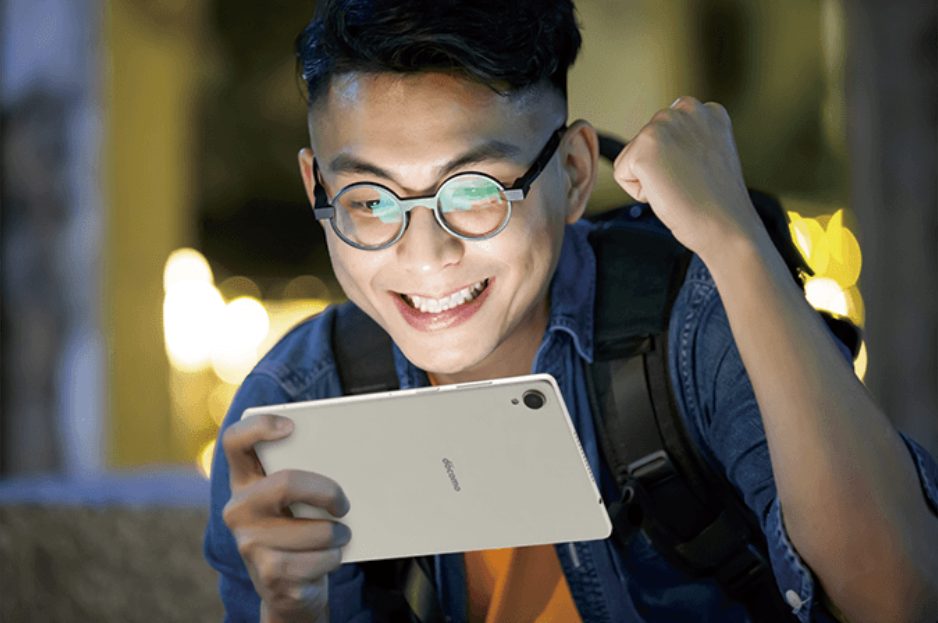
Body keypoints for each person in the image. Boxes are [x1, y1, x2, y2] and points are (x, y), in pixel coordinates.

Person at [204, 1, 938, 621]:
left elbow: (899, 598)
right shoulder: (297, 407)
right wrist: (292, 609)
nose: (424, 255)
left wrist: (735, 239)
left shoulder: (693, 327)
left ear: (575, 172)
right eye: (369, 202)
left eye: (475, 192)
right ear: (316, 186)